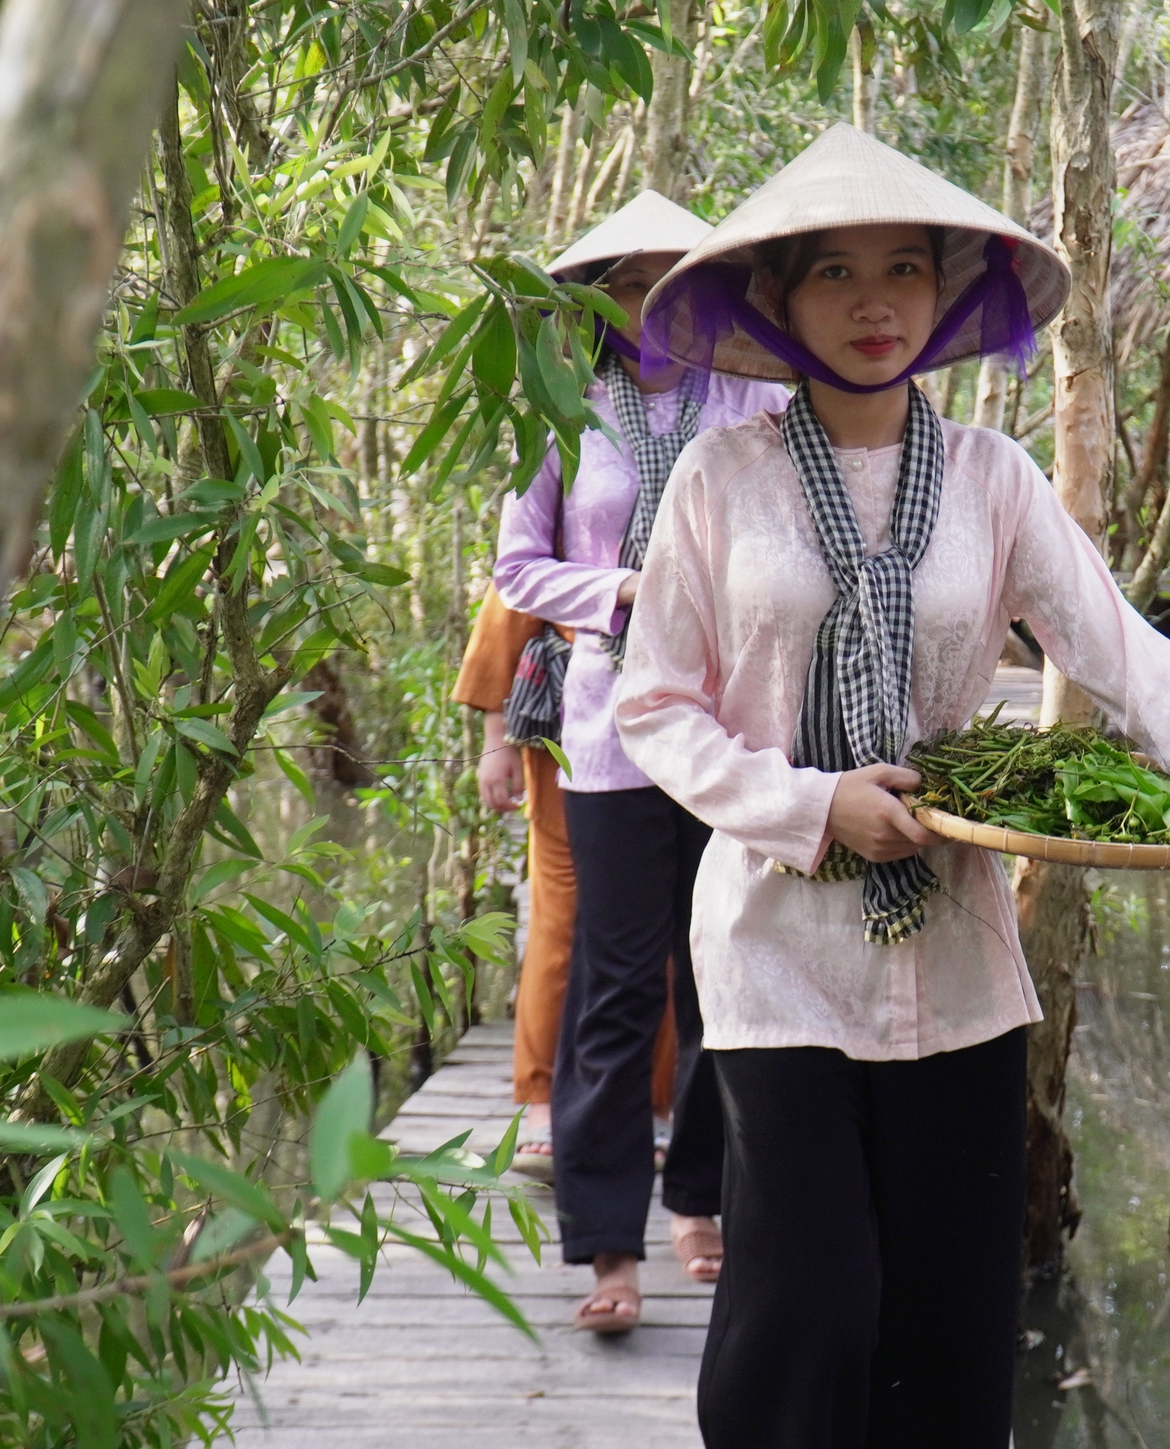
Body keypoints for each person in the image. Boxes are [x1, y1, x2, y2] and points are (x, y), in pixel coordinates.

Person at [619, 124, 1170, 1447]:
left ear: (952, 291)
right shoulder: (721, 480)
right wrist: (808, 803)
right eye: (833, 273)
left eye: (905, 267)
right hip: (776, 947)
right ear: (776, 300)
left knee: (951, 1326)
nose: (874, 302)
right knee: (812, 1305)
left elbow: (1123, 657)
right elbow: (653, 705)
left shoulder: (993, 481)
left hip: (952, 956)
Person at [492, 188, 789, 1335]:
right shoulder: (562, 409)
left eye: (672, 276)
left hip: (738, 727)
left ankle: (701, 1200)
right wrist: (623, 588)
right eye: (629, 280)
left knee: (725, 968)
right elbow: (517, 568)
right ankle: (609, 1244)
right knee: (615, 986)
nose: (651, 299)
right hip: (612, 728)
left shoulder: (757, 400)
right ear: (598, 300)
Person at [452, 586, 677, 1183]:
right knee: (562, 919)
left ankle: (654, 1106)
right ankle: (545, 1106)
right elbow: (515, 589)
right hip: (570, 724)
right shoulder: (561, 488)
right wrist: (496, 740)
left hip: (679, 719)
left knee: (673, 922)